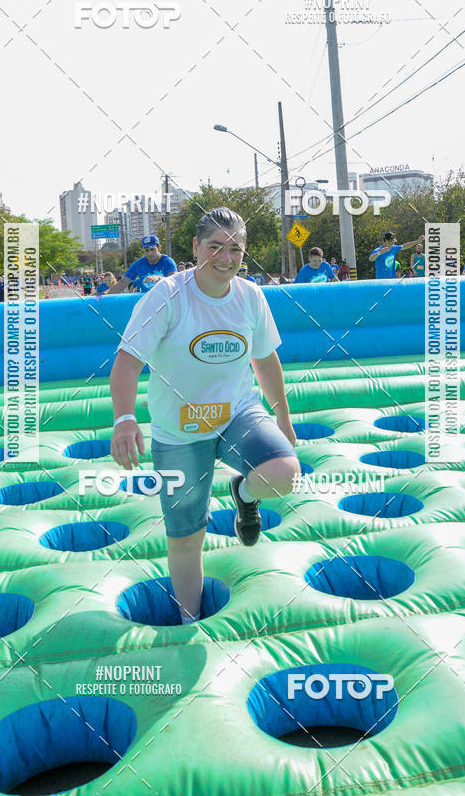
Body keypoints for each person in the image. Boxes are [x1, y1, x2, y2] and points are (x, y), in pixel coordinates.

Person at [110, 208, 300, 625]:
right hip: (180, 431)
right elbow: (127, 362)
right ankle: (189, 621)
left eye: (235, 248)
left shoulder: (250, 296)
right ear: (195, 248)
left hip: (237, 414)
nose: (225, 258)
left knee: (285, 471)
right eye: (215, 246)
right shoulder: (166, 296)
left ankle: (245, 495)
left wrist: (282, 416)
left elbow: (265, 360)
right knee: (185, 536)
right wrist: (124, 419)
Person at [108, 235, 177, 295]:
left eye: (152, 249)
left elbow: (175, 281)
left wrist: (159, 278)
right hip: (147, 303)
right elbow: (122, 283)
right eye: (147, 250)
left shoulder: (168, 262)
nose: (150, 253)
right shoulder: (138, 264)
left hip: (166, 301)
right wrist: (102, 297)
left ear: (159, 248)